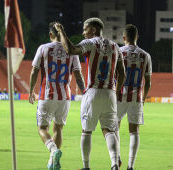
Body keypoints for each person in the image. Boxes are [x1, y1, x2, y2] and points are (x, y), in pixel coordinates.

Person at [55, 18, 126, 170]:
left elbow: (71, 50)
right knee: (109, 130)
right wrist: (117, 91)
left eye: (85, 29)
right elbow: (122, 74)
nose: (83, 32)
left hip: (93, 91)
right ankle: (114, 164)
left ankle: (86, 167)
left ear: (93, 30)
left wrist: (61, 31)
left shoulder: (90, 43)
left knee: (86, 131)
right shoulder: (115, 47)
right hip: (110, 94)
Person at [29, 22, 85, 170]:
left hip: (47, 95)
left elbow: (34, 71)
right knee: (58, 128)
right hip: (64, 97)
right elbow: (78, 74)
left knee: (42, 128)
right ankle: (52, 162)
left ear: (50, 35)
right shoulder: (71, 51)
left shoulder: (43, 48)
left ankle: (53, 151)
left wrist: (30, 91)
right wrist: (84, 92)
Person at [116, 24, 152, 170]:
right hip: (136, 97)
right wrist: (143, 99)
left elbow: (113, 75)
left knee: (114, 128)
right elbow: (148, 82)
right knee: (134, 131)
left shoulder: (118, 52)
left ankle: (116, 158)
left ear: (123, 38)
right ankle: (130, 166)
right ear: (137, 37)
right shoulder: (145, 55)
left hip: (118, 96)